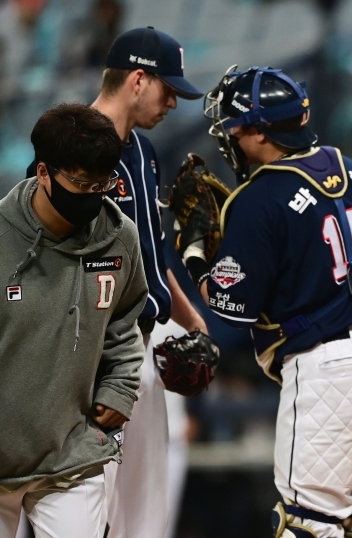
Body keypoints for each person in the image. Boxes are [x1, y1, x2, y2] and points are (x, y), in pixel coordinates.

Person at [181, 66, 352, 538]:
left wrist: (194, 256)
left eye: (235, 127)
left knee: (306, 524)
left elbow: (230, 306)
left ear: (260, 131)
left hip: (328, 367)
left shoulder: (259, 197)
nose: (230, 138)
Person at [25, 26, 206, 538]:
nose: (174, 101)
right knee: (86, 509)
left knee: (145, 513)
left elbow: (151, 254)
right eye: (168, 88)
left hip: (141, 346)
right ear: (138, 79)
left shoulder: (144, 153)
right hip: (93, 355)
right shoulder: (69, 147)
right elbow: (44, 257)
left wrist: (191, 321)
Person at [0, 103, 148, 538]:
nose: (92, 195)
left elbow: (125, 325)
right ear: (43, 173)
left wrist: (120, 390)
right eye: (81, 183)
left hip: (73, 454)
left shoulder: (121, 238)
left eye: (103, 185)